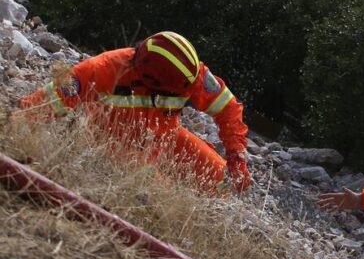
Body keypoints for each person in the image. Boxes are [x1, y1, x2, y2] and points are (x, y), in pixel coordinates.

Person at [19, 31, 250, 194]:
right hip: (112, 143)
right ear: (150, 80)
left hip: (165, 136)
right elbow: (46, 101)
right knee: (161, 192)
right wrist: (18, 126)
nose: (192, 92)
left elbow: (228, 108)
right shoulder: (102, 70)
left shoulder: (191, 75)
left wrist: (236, 156)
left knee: (221, 178)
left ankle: (213, 213)